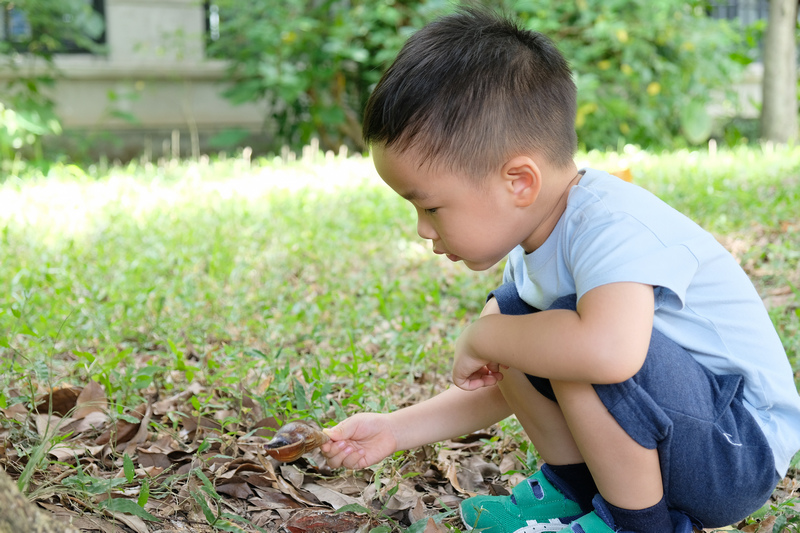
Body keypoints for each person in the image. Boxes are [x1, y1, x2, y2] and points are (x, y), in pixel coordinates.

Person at [319, 7, 800, 533]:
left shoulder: (609, 225)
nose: (423, 230)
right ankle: (574, 495)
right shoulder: (536, 247)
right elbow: (504, 381)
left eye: (431, 207)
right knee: (515, 314)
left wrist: (487, 336)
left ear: (519, 182)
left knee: (562, 330)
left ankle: (635, 524)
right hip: (684, 437)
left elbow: (609, 353)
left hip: (736, 453)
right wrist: (393, 430)